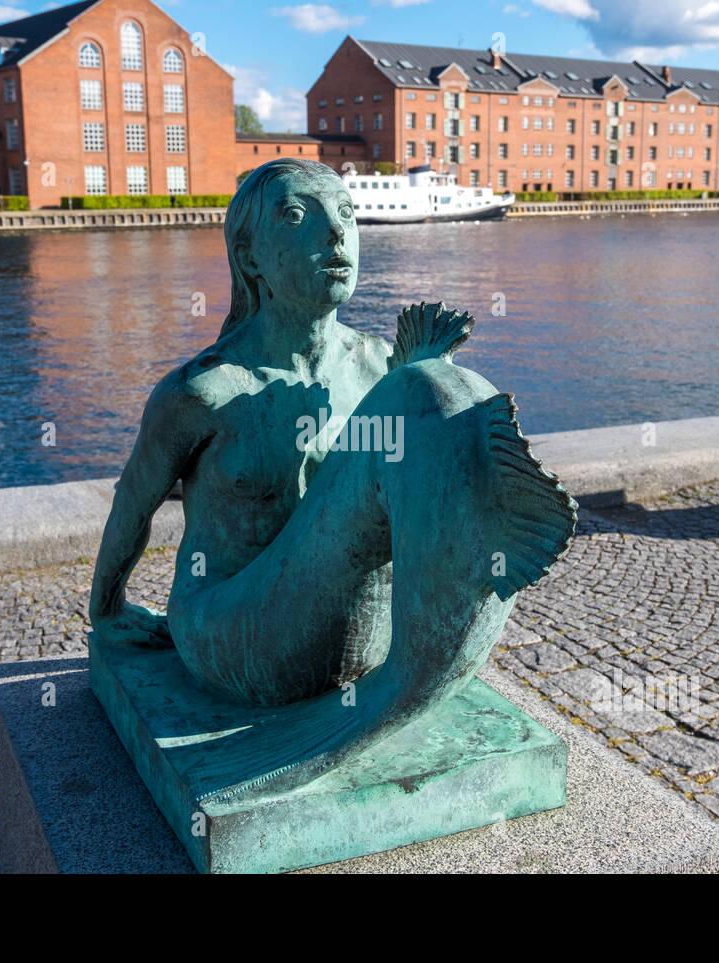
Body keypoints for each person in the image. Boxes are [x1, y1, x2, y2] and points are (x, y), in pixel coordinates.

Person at [89, 158, 576, 801]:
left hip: (362, 636)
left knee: (441, 389)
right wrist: (108, 609)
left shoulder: (378, 363)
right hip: (233, 633)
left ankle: (413, 676)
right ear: (250, 254)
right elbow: (134, 500)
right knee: (423, 391)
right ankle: (402, 695)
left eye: (346, 216)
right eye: (299, 218)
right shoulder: (202, 392)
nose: (336, 235)